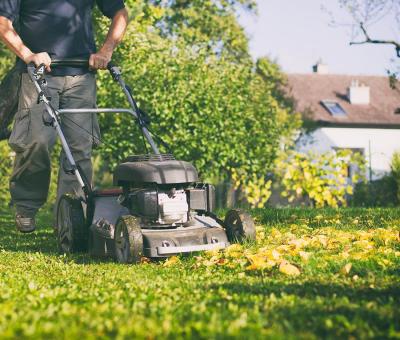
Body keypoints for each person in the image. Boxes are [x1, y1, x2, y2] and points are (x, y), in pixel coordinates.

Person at [0, 0, 128, 233]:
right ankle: (26, 206)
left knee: (79, 148)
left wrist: (106, 50)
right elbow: (3, 23)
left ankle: (71, 218)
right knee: (35, 141)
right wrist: (28, 55)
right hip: (38, 74)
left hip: (81, 75)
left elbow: (119, 13)